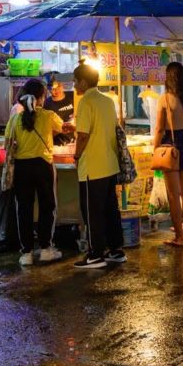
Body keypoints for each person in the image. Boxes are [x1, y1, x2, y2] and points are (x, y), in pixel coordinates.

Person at [4, 79, 65, 266]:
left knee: (24, 209)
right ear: (41, 97)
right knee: (48, 206)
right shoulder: (48, 115)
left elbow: (7, 144)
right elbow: (62, 127)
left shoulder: (15, 119)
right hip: (43, 165)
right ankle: (46, 249)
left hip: (22, 167)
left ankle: (27, 253)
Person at [72, 61, 124, 269]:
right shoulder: (108, 101)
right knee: (111, 209)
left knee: (92, 211)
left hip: (92, 167)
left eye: (75, 81)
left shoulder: (86, 102)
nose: (74, 85)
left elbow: (83, 135)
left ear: (83, 82)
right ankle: (115, 249)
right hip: (110, 164)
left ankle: (95, 254)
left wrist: (76, 156)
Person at [154, 62, 183, 246]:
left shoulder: (164, 99)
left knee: (173, 194)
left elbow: (158, 128)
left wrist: (155, 149)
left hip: (170, 145)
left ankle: (179, 236)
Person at [43, 72, 75, 145]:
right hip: (56, 144)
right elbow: (46, 130)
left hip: (73, 141)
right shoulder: (46, 104)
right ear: (48, 89)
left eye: (59, 86)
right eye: (53, 89)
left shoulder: (73, 96)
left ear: (62, 85)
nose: (56, 90)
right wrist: (60, 128)